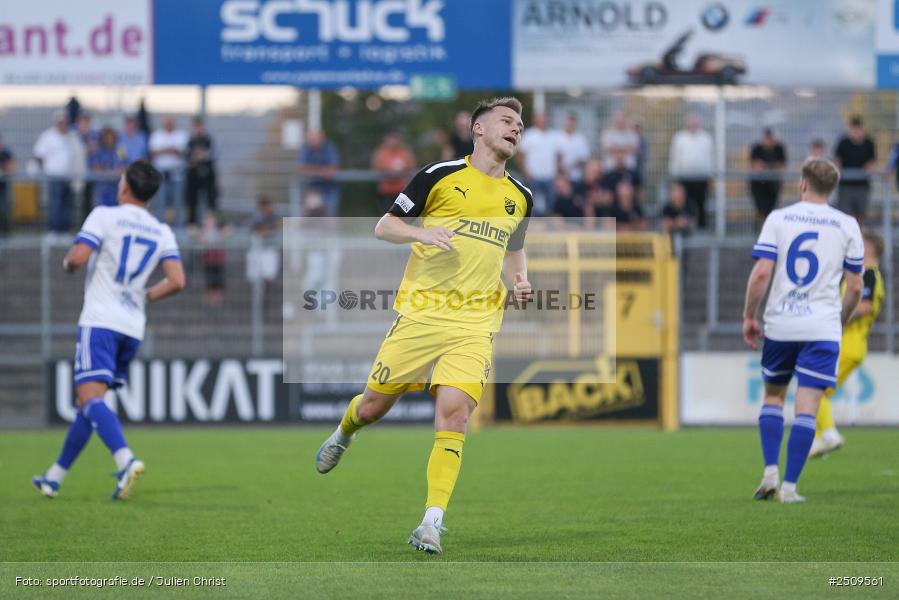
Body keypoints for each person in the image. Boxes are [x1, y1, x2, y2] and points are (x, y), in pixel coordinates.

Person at [314, 97, 534, 555]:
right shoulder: (439, 176)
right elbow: (385, 226)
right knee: (373, 406)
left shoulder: (521, 197)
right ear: (478, 129)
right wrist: (423, 233)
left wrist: (520, 278)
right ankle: (344, 432)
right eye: (507, 121)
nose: (516, 128)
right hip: (422, 314)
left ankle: (431, 522)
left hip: (476, 321)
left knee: (455, 412)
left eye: (520, 124)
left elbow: (514, 246)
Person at [31, 160, 186, 500]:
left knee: (90, 399)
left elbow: (78, 257)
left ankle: (125, 459)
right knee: (91, 402)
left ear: (125, 187)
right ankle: (54, 477)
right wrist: (146, 296)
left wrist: (67, 261)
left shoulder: (104, 215)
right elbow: (177, 281)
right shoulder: (162, 231)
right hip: (132, 325)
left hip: (100, 319)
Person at [742, 158, 863, 503]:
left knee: (774, 397)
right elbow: (855, 287)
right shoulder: (847, 224)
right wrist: (839, 320)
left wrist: (749, 315)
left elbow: (762, 273)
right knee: (808, 407)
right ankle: (791, 488)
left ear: (803, 184)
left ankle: (769, 473)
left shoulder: (778, 219)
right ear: (832, 189)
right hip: (821, 327)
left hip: (781, 324)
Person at [810, 232, 885, 458]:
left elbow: (865, 307)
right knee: (817, 392)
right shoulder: (869, 275)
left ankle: (829, 435)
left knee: (813, 389)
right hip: (851, 345)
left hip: (847, 344)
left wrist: (836, 317)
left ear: (868, 250)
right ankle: (819, 441)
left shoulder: (868, 274)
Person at [33, 111, 76, 234]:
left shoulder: (70, 136)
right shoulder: (48, 136)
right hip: (54, 176)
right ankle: (54, 230)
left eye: (64, 122)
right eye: (60, 122)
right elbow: (38, 154)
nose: (63, 125)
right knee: (55, 204)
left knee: (67, 204)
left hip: (68, 177)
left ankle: (65, 230)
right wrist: (46, 169)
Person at [669, 114, 714, 229]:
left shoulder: (706, 138)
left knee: (701, 203)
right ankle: (684, 229)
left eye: (695, 122)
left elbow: (711, 157)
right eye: (691, 122)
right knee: (684, 204)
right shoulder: (679, 138)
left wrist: (710, 174)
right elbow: (675, 157)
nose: (693, 125)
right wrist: (674, 176)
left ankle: (701, 228)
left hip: (701, 178)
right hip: (684, 177)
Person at [833, 116, 877, 227]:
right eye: (854, 129)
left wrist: (869, 168)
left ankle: (859, 239)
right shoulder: (843, 143)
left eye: (858, 129)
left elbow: (872, 162)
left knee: (861, 215)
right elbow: (837, 160)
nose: (856, 132)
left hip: (862, 186)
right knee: (846, 215)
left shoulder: (869, 143)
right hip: (846, 186)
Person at [517, 112, 561, 216]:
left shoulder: (554, 135)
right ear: (536, 120)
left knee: (550, 205)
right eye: (541, 119)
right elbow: (520, 156)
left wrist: (558, 174)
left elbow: (558, 156)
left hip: (550, 177)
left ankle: (547, 229)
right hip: (533, 178)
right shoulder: (529, 135)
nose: (543, 121)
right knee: (534, 207)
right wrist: (526, 173)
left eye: (545, 118)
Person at [149, 116, 189, 227]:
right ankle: (160, 228)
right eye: (167, 122)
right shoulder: (157, 135)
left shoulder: (181, 135)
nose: (169, 124)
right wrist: (171, 150)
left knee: (178, 203)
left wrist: (163, 150)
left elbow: (182, 152)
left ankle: (179, 228)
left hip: (177, 175)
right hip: (161, 175)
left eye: (171, 122)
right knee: (160, 203)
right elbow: (154, 152)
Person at [749, 128, 787, 230]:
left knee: (771, 211)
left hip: (774, 185)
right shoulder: (757, 149)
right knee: (760, 209)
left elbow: (782, 166)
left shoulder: (779, 149)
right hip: (758, 185)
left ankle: (768, 230)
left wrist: (765, 166)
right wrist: (772, 167)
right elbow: (756, 166)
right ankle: (758, 230)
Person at [297, 129, 340, 217]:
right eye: (312, 139)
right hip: (312, 190)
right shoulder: (306, 148)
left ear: (322, 138)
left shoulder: (329, 147)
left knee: (330, 216)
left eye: (316, 139)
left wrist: (312, 170)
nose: (314, 142)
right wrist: (321, 171)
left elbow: (332, 168)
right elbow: (301, 168)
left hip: (328, 190)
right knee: (310, 217)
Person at [371, 131, 416, 214]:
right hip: (386, 191)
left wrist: (402, 170)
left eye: (394, 139)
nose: (392, 142)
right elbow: (377, 169)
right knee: (386, 215)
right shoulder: (381, 153)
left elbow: (411, 167)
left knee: (402, 217)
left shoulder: (404, 152)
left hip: (402, 192)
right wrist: (391, 171)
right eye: (390, 139)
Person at [185, 117, 218, 226]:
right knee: (192, 202)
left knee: (210, 201)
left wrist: (199, 156)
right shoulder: (190, 141)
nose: (199, 129)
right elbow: (189, 158)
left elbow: (211, 155)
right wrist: (198, 156)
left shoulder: (209, 140)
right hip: (194, 177)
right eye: (197, 126)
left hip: (208, 176)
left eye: (200, 126)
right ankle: (192, 227)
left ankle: (211, 226)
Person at [89, 127, 126, 208]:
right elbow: (96, 168)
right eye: (107, 137)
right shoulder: (98, 151)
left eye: (111, 137)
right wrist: (112, 172)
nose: (109, 140)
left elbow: (122, 167)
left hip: (115, 189)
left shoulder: (119, 149)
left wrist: (107, 170)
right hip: (101, 189)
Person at [557, 112, 591, 183]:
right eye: (568, 123)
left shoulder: (580, 139)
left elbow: (584, 158)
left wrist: (570, 166)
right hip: (561, 179)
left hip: (577, 177)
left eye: (572, 123)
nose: (570, 125)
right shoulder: (557, 137)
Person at [0, 132, 17, 235]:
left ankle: (5, 237)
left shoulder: (5, 152)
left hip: (3, 187)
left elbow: (12, 167)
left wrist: (3, 169)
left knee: (3, 211)